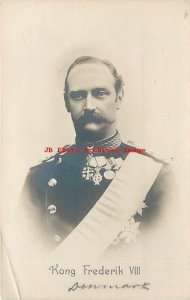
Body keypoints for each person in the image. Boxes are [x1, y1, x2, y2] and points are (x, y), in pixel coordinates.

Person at [18, 56, 176, 260]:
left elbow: (170, 258)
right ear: (66, 102)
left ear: (119, 97)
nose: (89, 105)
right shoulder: (40, 176)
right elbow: (24, 261)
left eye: (100, 93)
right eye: (78, 96)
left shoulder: (155, 173)